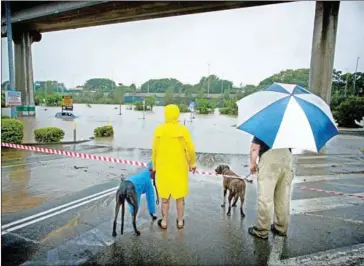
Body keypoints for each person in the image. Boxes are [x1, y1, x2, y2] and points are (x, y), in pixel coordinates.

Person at [152, 104, 197, 230]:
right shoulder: (183, 130)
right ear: (177, 114)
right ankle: (180, 221)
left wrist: (154, 166)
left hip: (163, 168)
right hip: (179, 168)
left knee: (165, 198)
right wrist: (192, 163)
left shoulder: (159, 130)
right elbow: (190, 148)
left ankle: (165, 222)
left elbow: (154, 150)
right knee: (180, 197)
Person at [248, 136, 293, 239]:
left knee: (265, 198)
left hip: (269, 160)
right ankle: (281, 228)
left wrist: (252, 164)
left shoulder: (265, 123)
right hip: (287, 159)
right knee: (283, 198)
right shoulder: (288, 125)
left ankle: (262, 230)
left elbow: (254, 147)